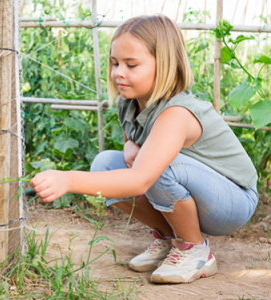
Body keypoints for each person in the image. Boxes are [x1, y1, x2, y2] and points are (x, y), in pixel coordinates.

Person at [30, 14, 259, 284]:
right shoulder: (129, 101)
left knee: (159, 168)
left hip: (232, 202)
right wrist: (128, 145)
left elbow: (140, 179)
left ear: (164, 65)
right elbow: (132, 139)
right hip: (199, 191)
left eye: (131, 64)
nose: (118, 73)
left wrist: (67, 179)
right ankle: (171, 239)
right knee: (105, 163)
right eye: (114, 63)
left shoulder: (177, 112)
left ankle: (196, 250)